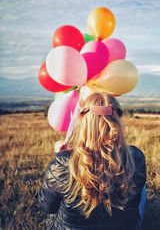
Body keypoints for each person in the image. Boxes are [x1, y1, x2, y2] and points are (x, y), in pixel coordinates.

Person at [37, 92, 146, 230]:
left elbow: (47, 207)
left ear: (83, 122)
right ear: (117, 121)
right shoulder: (135, 157)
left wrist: (60, 158)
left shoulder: (63, 163)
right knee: (143, 191)